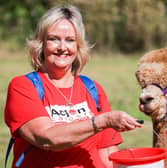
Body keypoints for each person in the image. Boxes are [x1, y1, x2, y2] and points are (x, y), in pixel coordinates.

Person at [5, 5, 141, 168]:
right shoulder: (23, 86)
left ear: (78, 46)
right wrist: (103, 121)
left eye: (70, 40)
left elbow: (107, 153)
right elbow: (47, 138)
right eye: (54, 39)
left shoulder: (93, 89)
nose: (62, 47)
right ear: (41, 44)